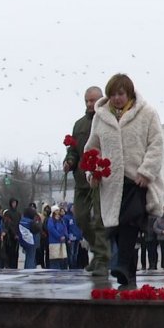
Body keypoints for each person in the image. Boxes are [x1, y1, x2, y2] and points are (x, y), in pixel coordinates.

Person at [85, 73, 164, 287]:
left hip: (137, 179)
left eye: (121, 94)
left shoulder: (146, 113)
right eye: (112, 94)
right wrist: (93, 171)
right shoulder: (101, 117)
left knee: (132, 220)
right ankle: (128, 275)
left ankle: (121, 264)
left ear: (129, 92)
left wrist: (146, 171)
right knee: (118, 227)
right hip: (111, 182)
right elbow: (92, 148)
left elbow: (156, 143)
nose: (117, 98)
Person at [63, 86, 110, 276]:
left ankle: (101, 259)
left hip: (100, 180)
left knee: (99, 220)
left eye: (93, 100)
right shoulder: (79, 125)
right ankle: (97, 252)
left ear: (101, 100)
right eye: (87, 100)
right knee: (81, 218)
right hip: (82, 180)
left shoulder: (107, 122)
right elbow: (73, 150)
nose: (90, 104)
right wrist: (69, 161)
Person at [47, 205, 69, 269]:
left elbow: (65, 228)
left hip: (62, 242)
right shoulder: (51, 220)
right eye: (56, 210)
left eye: (58, 210)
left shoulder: (61, 220)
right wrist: (59, 236)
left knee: (62, 258)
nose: (57, 211)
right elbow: (51, 229)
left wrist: (66, 236)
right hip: (54, 242)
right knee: (54, 258)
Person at [63, 203, 83, 268]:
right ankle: (71, 265)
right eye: (72, 208)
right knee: (70, 253)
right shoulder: (66, 217)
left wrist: (80, 236)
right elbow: (65, 228)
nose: (74, 209)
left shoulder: (77, 217)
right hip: (71, 238)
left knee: (75, 253)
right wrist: (67, 237)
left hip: (77, 237)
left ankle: (74, 265)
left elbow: (80, 227)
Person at [4, 197, 21, 268]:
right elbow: (9, 224)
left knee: (16, 254)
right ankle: (9, 267)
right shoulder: (7, 213)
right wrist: (14, 234)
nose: (14, 204)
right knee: (10, 253)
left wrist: (19, 234)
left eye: (15, 203)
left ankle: (15, 267)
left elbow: (20, 224)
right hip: (10, 237)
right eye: (13, 203)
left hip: (17, 236)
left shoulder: (18, 213)